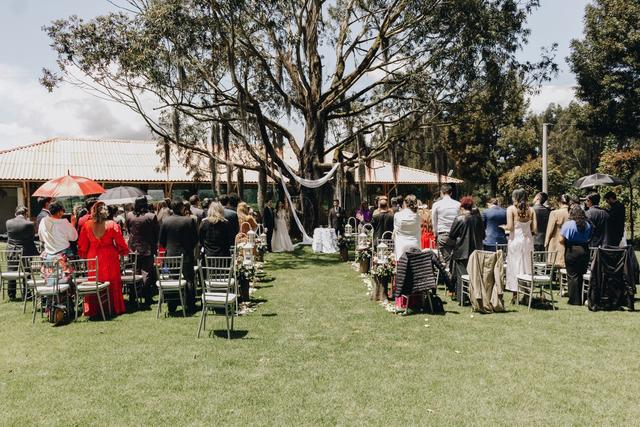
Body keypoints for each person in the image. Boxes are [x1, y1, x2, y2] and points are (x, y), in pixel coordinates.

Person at [78, 201, 130, 317]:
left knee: (95, 281)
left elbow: (82, 245)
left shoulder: (87, 225)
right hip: (109, 255)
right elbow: (121, 243)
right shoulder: (112, 224)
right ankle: (112, 307)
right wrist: (122, 251)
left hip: (93, 255)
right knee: (112, 281)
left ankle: (94, 308)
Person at [158, 201, 198, 313]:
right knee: (189, 279)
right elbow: (195, 239)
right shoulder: (189, 220)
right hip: (186, 254)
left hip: (171, 255)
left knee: (173, 279)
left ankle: (172, 304)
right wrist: (189, 248)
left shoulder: (166, 221)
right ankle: (190, 305)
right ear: (182, 208)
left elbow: (161, 241)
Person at [125, 196, 159, 307]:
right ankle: (146, 296)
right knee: (147, 273)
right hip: (147, 248)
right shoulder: (151, 216)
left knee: (134, 273)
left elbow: (128, 230)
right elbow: (156, 233)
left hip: (133, 249)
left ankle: (133, 296)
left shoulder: (129, 216)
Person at [449, 196, 485, 299]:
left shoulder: (459, 218)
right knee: (474, 274)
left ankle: (462, 297)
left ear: (462, 206)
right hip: (476, 250)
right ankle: (474, 296)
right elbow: (483, 235)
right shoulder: (478, 218)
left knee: (462, 275)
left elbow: (452, 235)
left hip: (461, 251)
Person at [505, 188, 536, 303]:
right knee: (527, 266)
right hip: (527, 241)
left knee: (515, 266)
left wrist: (504, 227)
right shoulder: (531, 210)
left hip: (515, 241)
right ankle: (527, 294)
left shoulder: (511, 209)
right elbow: (535, 228)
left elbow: (510, 227)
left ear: (515, 197)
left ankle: (515, 295)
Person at [561, 205, 593, 305]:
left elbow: (561, 240)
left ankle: (574, 299)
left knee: (572, 275)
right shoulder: (588, 224)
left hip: (571, 250)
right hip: (584, 250)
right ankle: (583, 297)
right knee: (581, 274)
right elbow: (590, 237)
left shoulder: (568, 224)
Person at [5, 206, 38, 300]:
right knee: (27, 272)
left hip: (12, 250)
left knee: (11, 271)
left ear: (16, 213)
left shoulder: (8, 222)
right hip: (25, 250)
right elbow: (32, 236)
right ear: (26, 214)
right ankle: (27, 294)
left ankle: (11, 294)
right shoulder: (29, 224)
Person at [431, 184, 461, 264]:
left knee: (446, 261)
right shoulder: (458, 204)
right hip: (456, 236)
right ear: (451, 193)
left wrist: (435, 234)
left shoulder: (436, 205)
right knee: (456, 260)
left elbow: (434, 221)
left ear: (441, 192)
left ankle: (448, 275)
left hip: (443, 235)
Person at [545, 194, 570, 268]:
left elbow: (550, 229)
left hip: (556, 240)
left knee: (555, 263)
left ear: (559, 202)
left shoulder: (555, 213)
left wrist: (546, 242)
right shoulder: (572, 212)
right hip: (569, 241)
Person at [393, 194, 421, 260]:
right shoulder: (417, 216)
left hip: (401, 245)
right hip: (415, 244)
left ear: (405, 203)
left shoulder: (397, 215)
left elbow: (396, 230)